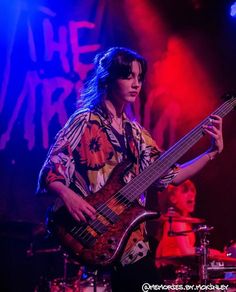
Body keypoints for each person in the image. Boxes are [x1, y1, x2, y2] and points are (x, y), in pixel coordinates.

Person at [37, 47, 224, 292]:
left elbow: (171, 176)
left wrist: (212, 152)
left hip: (132, 241)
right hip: (97, 234)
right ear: (108, 78)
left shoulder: (136, 134)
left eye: (139, 77)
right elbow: (50, 169)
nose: (136, 84)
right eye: (128, 76)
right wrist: (68, 196)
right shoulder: (84, 120)